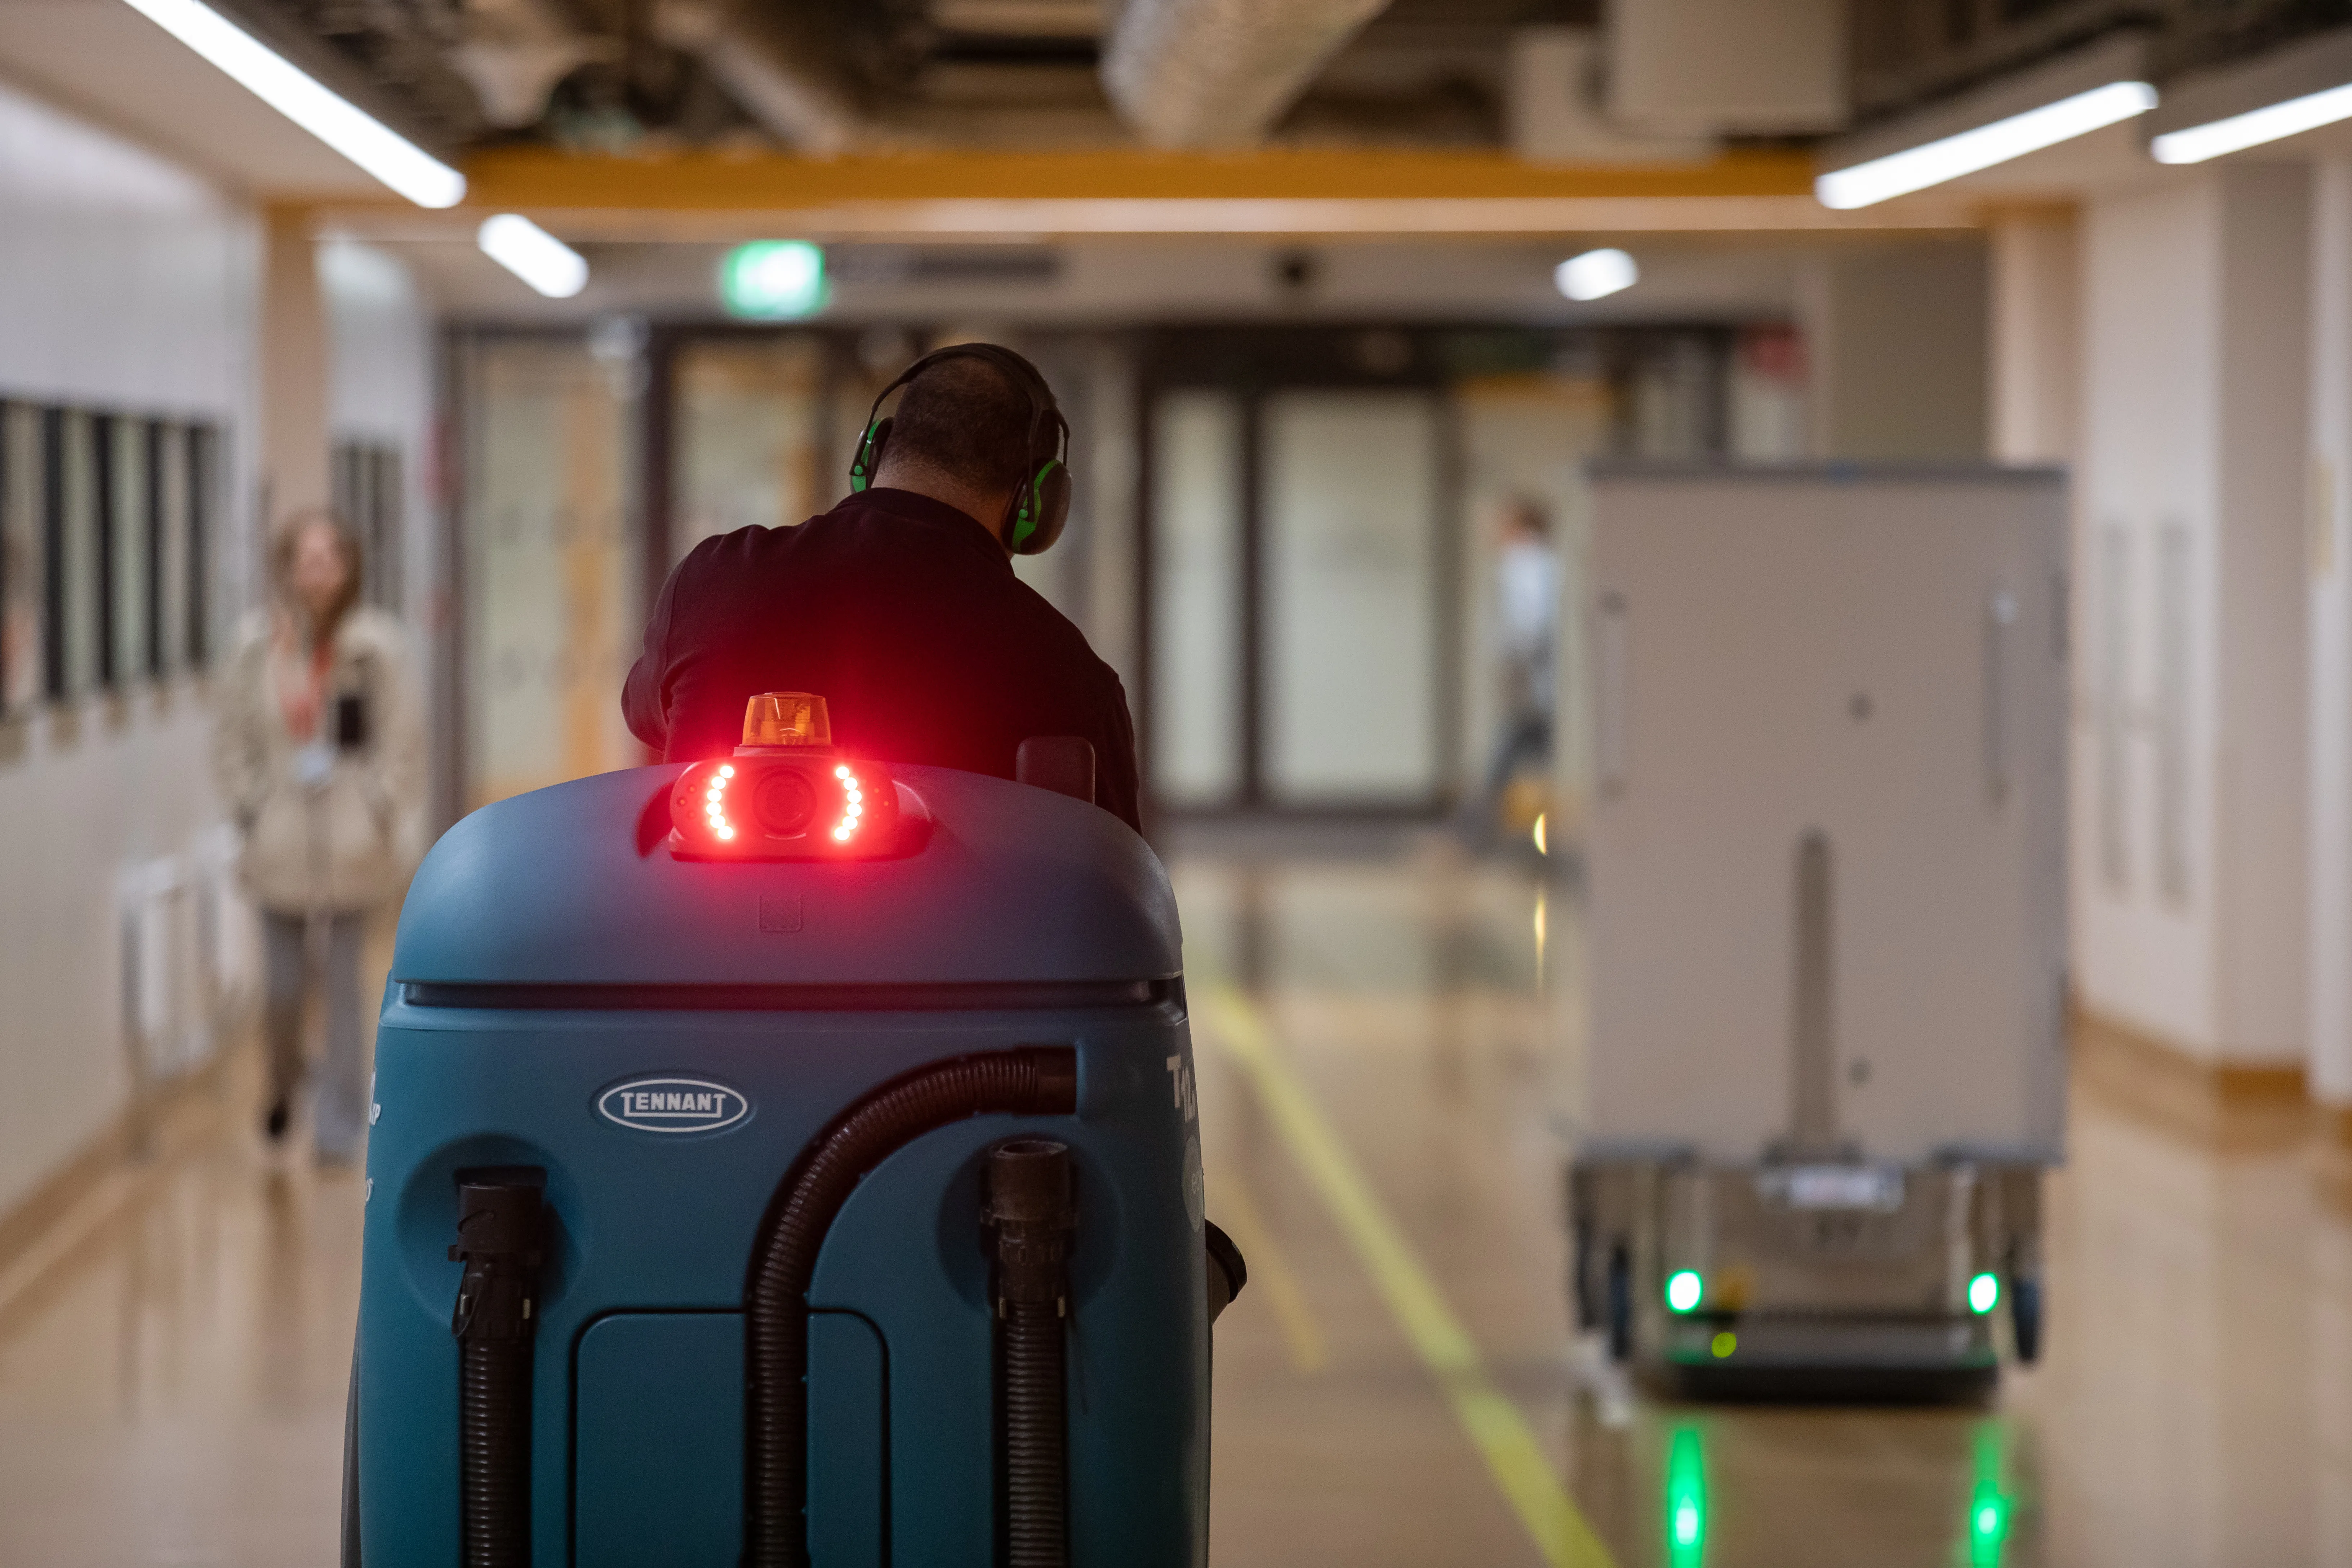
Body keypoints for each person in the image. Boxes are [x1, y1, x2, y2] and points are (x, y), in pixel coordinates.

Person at [623, 343, 1142, 831]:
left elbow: (648, 717)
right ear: (1035, 501)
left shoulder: (715, 576)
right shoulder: (1067, 670)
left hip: (696, 905)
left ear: (871, 453)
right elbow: (1113, 879)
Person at [215, 512, 424, 1163]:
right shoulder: (256, 646)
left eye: (329, 558)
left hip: (351, 843)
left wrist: (380, 803)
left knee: (343, 990)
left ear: (349, 566)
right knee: (281, 988)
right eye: (306, 559)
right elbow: (232, 738)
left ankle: (340, 1121)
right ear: (286, 568)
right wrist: (251, 805)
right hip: (278, 842)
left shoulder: (376, 646)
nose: (318, 572)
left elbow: (403, 737)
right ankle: (284, 1083)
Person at [1464, 497, 1560, 847]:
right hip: (1533, 687)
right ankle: (1518, 841)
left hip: (1530, 687)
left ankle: (1471, 837)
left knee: (1507, 760)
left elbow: (1529, 628)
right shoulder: (1537, 563)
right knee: (1526, 761)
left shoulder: (1527, 563)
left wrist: (1513, 673)